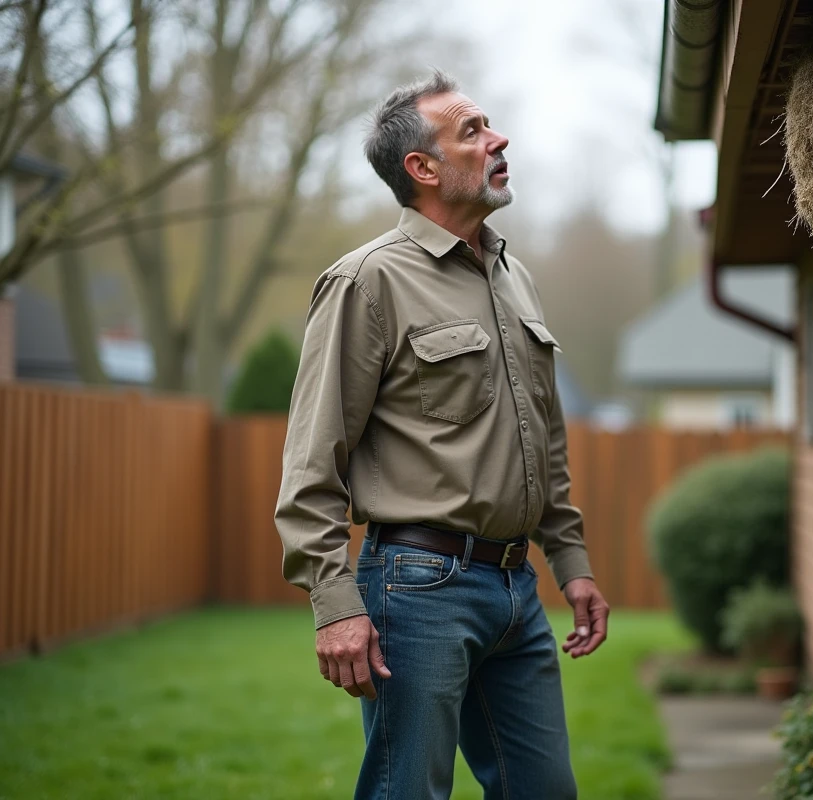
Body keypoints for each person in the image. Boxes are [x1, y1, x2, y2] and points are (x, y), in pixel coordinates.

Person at [274, 70, 609, 800]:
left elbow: (542, 439)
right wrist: (335, 604)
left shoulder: (514, 277)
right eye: (473, 131)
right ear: (422, 168)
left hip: (517, 590)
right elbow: (311, 463)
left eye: (489, 125)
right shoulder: (366, 281)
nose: (499, 139)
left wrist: (572, 561)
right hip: (417, 591)